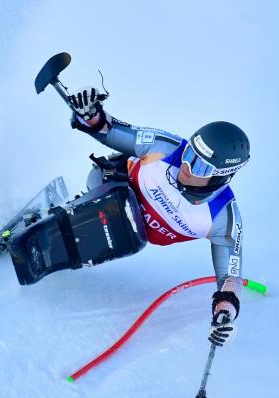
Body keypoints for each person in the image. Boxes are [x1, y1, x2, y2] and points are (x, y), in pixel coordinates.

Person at [68, 87, 249, 348]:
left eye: (199, 166)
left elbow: (230, 280)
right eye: (190, 154)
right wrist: (91, 114)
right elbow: (109, 131)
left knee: (121, 237)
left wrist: (226, 313)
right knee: (113, 210)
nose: (186, 166)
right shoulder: (164, 147)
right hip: (110, 186)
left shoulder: (223, 218)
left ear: (222, 175)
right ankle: (61, 218)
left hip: (127, 234)